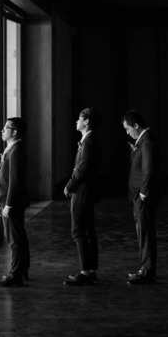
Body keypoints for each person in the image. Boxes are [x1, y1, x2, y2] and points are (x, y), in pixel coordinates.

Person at [64, 108, 102, 286]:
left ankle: (85, 271)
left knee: (78, 230)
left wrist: (70, 185)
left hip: (82, 192)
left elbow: (82, 168)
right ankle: (91, 269)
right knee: (88, 230)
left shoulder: (88, 142)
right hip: (86, 191)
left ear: (86, 122)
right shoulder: (88, 140)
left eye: (79, 118)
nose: (76, 121)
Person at [123, 110, 159, 284]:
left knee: (145, 232)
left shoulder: (146, 142)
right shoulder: (142, 141)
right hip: (139, 195)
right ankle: (146, 268)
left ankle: (146, 270)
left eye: (128, 128)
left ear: (136, 125)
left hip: (142, 196)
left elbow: (148, 169)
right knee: (143, 232)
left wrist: (144, 192)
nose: (127, 132)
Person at [0, 117, 29, 287]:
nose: (2, 130)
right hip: (5, 201)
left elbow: (14, 181)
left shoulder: (16, 151)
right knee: (17, 237)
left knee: (14, 239)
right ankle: (22, 270)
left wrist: (8, 204)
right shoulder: (11, 148)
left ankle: (16, 275)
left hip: (11, 202)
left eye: (6, 127)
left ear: (14, 132)